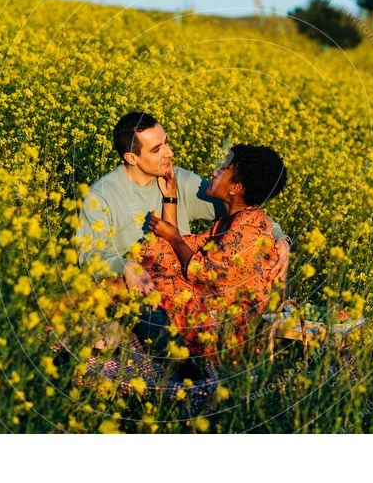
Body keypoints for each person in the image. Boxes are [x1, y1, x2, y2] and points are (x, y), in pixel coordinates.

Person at [77, 112, 290, 294]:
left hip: (183, 292)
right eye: (156, 149)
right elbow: (87, 255)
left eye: (166, 142)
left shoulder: (181, 181)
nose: (169, 153)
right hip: (133, 291)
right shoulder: (102, 195)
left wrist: (281, 239)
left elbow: (245, 212)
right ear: (132, 158)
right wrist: (126, 266)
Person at [143, 144, 288, 359]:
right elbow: (187, 246)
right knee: (152, 259)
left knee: (143, 282)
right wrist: (171, 198)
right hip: (217, 311)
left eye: (224, 169)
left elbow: (202, 270)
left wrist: (172, 237)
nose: (215, 171)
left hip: (224, 335)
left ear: (235, 188)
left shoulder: (249, 228)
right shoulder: (236, 221)